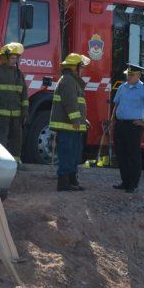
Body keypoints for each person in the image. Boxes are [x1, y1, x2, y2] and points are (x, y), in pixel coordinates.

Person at [111, 63, 144, 193]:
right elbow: (116, 105)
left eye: (131, 75)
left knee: (133, 155)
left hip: (134, 126)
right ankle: (125, 181)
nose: (129, 77)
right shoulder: (122, 87)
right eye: (128, 74)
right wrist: (112, 120)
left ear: (138, 75)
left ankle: (133, 184)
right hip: (120, 124)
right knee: (121, 155)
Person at [49, 53, 91, 191]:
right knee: (67, 154)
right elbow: (70, 103)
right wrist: (75, 119)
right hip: (68, 126)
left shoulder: (72, 81)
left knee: (74, 154)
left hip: (73, 126)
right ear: (75, 68)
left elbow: (76, 104)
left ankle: (72, 180)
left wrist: (82, 120)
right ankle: (63, 183)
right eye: (81, 67)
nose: (82, 69)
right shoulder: (68, 80)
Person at [0, 42, 28, 166]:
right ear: (5, 58)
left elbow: (24, 94)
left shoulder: (19, 74)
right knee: (0, 138)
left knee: (17, 138)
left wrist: (25, 111)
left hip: (17, 114)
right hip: (1, 113)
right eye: (13, 58)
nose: (15, 61)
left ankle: (15, 162)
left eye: (16, 58)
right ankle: (0, 162)